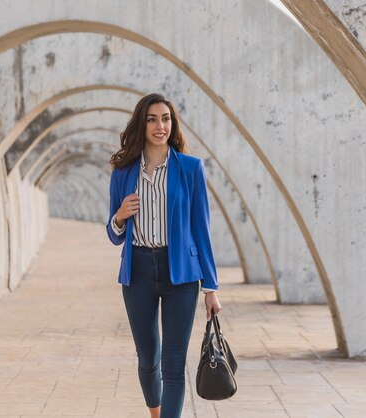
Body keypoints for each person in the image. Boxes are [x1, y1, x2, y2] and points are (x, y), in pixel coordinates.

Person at [106, 93, 222, 418]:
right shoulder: (123, 172)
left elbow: (202, 229)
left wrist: (211, 287)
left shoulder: (190, 168)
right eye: (153, 119)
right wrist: (119, 217)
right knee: (148, 358)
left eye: (166, 118)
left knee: (173, 364)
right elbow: (114, 235)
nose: (161, 126)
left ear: (173, 123)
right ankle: (155, 413)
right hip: (139, 271)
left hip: (181, 273)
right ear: (142, 124)